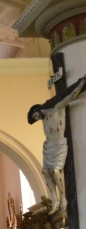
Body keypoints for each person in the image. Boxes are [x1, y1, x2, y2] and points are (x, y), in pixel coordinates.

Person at [28, 76, 86, 214]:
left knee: (55, 170)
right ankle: (54, 199)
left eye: (35, 115)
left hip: (58, 144)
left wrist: (81, 83)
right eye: (34, 118)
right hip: (48, 146)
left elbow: (70, 96)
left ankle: (63, 198)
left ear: (39, 109)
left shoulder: (56, 109)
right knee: (46, 172)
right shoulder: (44, 119)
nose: (36, 119)